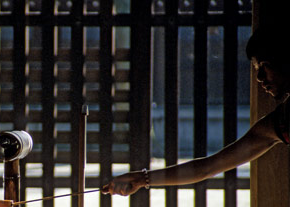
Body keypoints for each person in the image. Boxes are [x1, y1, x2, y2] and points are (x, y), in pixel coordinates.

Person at [102, 24, 290, 196]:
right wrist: (141, 179)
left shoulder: (281, 121)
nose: (259, 77)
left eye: (265, 66)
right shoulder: (281, 121)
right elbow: (207, 167)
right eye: (257, 68)